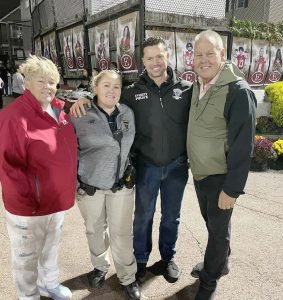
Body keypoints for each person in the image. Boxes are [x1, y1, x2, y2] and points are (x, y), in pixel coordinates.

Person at [70, 37, 192, 284]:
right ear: (143, 61)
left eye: (160, 56)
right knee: (143, 215)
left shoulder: (188, 90)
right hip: (146, 166)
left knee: (171, 216)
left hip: (177, 167)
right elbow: (106, 102)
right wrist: (83, 100)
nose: (155, 62)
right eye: (149, 58)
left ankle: (167, 258)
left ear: (168, 56)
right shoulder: (132, 93)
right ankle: (141, 260)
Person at [0, 55, 77, 300]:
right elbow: (10, 166)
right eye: (41, 81)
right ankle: (28, 295)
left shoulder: (58, 110)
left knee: (50, 248)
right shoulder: (14, 116)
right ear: (26, 83)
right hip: (29, 208)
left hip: (54, 201)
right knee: (26, 257)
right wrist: (28, 203)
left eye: (52, 81)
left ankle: (49, 284)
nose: (48, 86)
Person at [187, 30, 257, 299]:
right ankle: (221, 262)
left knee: (217, 232)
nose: (203, 59)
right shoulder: (198, 84)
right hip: (201, 174)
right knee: (214, 226)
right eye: (198, 54)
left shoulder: (237, 91)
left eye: (209, 53)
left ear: (222, 55)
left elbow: (243, 145)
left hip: (221, 177)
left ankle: (210, 278)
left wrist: (232, 189)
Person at [70, 70, 141, 300]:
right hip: (90, 187)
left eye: (116, 86)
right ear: (95, 88)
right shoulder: (79, 113)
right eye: (106, 85)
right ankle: (100, 267)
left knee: (122, 233)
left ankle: (128, 277)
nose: (112, 90)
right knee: (95, 230)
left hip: (121, 186)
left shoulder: (128, 113)